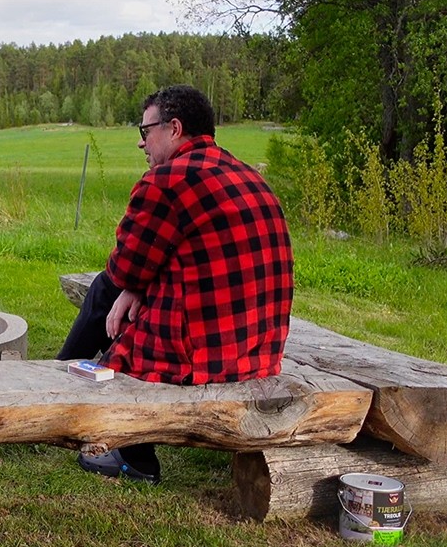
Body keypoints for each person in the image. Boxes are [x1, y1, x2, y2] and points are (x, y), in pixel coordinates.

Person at [59, 84, 294, 483]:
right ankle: (61, 380)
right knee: (116, 297)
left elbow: (124, 267)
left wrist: (129, 287)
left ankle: (127, 453)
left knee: (104, 294)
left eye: (145, 130)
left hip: (204, 355)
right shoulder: (246, 175)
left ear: (174, 128)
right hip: (259, 349)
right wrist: (134, 288)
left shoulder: (166, 181)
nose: (140, 142)